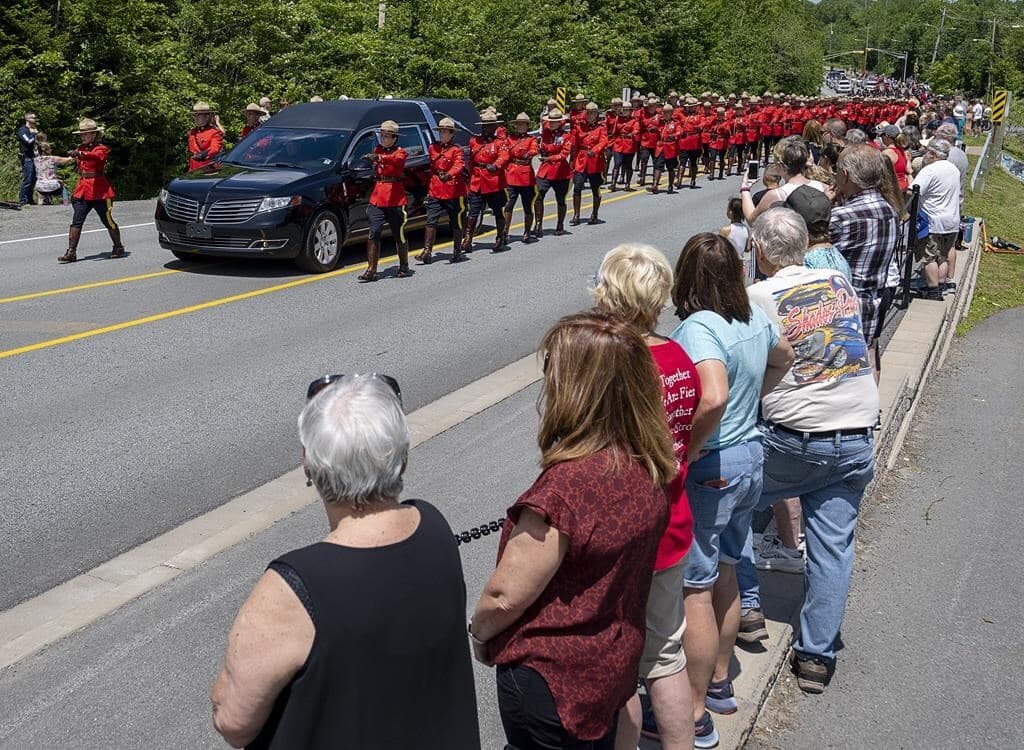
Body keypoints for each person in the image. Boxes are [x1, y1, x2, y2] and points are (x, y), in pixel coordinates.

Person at [211, 374, 481, 749]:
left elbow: (233, 720)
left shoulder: (292, 587)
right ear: (401, 458)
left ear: (309, 465)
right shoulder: (433, 528)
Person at [471, 310, 677, 750]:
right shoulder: (648, 465)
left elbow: (504, 596)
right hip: (612, 666)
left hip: (551, 681)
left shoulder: (565, 488)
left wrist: (482, 634)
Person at [742, 207, 878, 693]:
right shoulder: (838, 286)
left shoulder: (759, 295)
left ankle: (747, 606)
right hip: (856, 431)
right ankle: (816, 655)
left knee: (733, 503)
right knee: (833, 545)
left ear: (759, 250)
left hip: (794, 436)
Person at [669, 234, 794, 748]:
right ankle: (720, 680)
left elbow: (713, 396)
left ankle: (694, 710)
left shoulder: (700, 327)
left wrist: (689, 447)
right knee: (728, 567)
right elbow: (784, 357)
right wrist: (757, 401)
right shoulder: (754, 318)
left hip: (715, 462)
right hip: (751, 455)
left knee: (694, 586)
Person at [591, 246, 700, 750]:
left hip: (620, 530)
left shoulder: (615, 361)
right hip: (672, 520)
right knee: (664, 656)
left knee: (620, 665)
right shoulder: (678, 356)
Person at [829, 144, 899, 378]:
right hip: (872, 301)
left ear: (846, 175)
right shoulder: (889, 209)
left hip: (839, 308)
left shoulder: (842, 217)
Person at [57, 119, 125, 264]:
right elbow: (74, 161)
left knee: (107, 221)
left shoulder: (101, 148)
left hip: (100, 190)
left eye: (86, 134)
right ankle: (71, 252)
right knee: (76, 221)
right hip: (83, 189)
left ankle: (118, 246)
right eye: (82, 134)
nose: (83, 136)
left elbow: (96, 157)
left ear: (94, 134)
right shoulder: (80, 147)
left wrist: (80, 154)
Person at [358, 119, 411, 281]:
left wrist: (379, 158)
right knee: (374, 232)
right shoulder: (378, 149)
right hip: (378, 196)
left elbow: (396, 161)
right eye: (382, 135)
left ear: (394, 138)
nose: (383, 139)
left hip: (395, 197)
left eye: (387, 136)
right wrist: (375, 157)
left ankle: (404, 265)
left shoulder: (400, 152)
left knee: (398, 233)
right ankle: (371, 269)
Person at [912, 139, 961, 300]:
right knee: (943, 256)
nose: (925, 155)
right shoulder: (953, 169)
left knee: (929, 257)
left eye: (927, 152)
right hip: (951, 220)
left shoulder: (930, 170)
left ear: (932, 154)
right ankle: (940, 286)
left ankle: (932, 290)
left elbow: (913, 190)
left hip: (932, 220)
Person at [741, 139, 824, 223]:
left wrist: (745, 188)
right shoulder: (822, 186)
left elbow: (752, 220)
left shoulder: (775, 195)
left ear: (781, 166)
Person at [419, 117, 466, 264]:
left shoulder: (456, 150)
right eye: (441, 132)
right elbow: (433, 168)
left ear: (452, 134)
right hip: (436, 188)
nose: (443, 135)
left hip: (453, 190)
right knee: (431, 220)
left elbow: (459, 165)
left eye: (446, 132)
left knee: (455, 221)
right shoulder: (433, 148)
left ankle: (457, 251)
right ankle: (427, 251)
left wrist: (449, 175)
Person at [464, 111, 510, 253]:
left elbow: (504, 156)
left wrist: (495, 166)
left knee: (497, 210)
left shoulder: (499, 143)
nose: (486, 129)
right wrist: (471, 176)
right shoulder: (474, 141)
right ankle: (468, 239)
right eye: (484, 126)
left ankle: (500, 238)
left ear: (494, 127)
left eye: (489, 126)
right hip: (477, 180)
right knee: (473, 211)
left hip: (493, 181)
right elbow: (471, 161)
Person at [535, 109, 572, 237]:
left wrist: (550, 158)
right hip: (545, 169)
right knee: (538, 196)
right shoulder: (545, 133)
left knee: (560, 199)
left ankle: (560, 224)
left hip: (560, 171)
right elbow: (542, 145)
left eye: (554, 122)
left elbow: (564, 154)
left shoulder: (566, 136)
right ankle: (538, 224)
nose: (551, 124)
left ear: (560, 122)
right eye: (550, 121)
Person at [570, 102, 608, 226]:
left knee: (595, 188)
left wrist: (595, 150)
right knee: (577, 187)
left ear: (597, 114)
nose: (591, 115)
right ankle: (576, 214)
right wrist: (573, 161)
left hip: (595, 161)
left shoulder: (601, 127)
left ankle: (594, 214)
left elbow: (603, 141)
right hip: (581, 160)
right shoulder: (579, 127)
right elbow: (574, 145)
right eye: (589, 113)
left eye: (593, 113)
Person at [504, 113, 540, 243]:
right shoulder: (510, 139)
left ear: (527, 126)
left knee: (527, 205)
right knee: (509, 205)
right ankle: (505, 231)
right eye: (518, 124)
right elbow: (505, 152)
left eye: (522, 124)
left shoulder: (531, 139)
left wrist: (529, 153)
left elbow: (535, 150)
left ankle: (527, 232)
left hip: (525, 177)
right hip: (512, 174)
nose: (520, 126)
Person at [648, 103, 681, 194]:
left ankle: (670, 185)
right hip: (661, 146)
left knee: (670, 168)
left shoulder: (675, 123)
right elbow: (653, 125)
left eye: (668, 112)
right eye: (664, 112)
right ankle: (655, 185)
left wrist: (674, 136)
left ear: (671, 113)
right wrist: (653, 129)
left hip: (670, 147)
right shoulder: (660, 122)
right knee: (658, 165)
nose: (666, 114)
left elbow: (679, 131)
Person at [720, 197, 753, 284]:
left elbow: (719, 248)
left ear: (730, 213)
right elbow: (748, 248)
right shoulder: (746, 229)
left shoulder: (725, 230)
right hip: (740, 264)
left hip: (728, 263)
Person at [610, 102, 639, 191]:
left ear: (630, 111)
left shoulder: (634, 120)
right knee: (617, 163)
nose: (626, 111)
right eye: (625, 110)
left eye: (628, 110)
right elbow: (613, 130)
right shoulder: (618, 119)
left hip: (629, 144)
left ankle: (628, 184)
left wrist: (632, 134)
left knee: (628, 165)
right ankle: (613, 183)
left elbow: (636, 130)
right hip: (618, 143)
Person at [188, 101, 224, 170]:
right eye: (195, 115)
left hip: (207, 168)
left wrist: (203, 154)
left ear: (207, 117)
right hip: (193, 167)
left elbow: (214, 148)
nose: (196, 118)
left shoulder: (215, 132)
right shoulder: (192, 132)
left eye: (199, 115)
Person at [33, 133, 65, 205]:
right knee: (61, 183)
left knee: (41, 185)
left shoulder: (35, 159)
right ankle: (65, 201)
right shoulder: (53, 158)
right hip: (52, 186)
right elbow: (67, 160)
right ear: (49, 150)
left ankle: (43, 198)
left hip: (39, 186)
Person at [880, 125, 911, 191]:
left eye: (881, 136)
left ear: (886, 137)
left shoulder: (887, 153)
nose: (881, 138)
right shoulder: (903, 152)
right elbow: (908, 171)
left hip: (892, 189)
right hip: (904, 187)